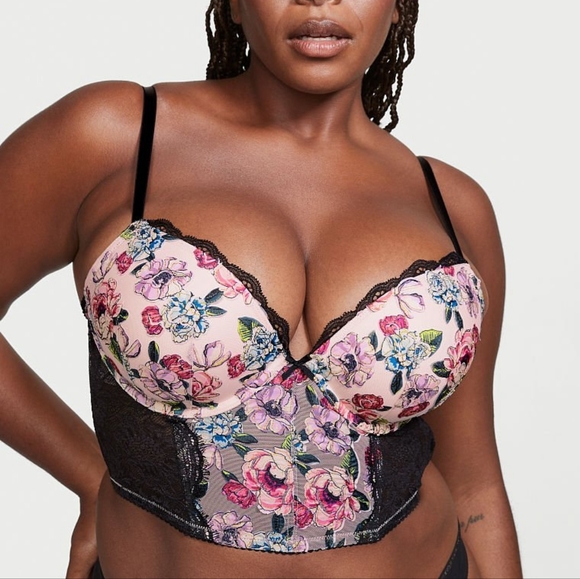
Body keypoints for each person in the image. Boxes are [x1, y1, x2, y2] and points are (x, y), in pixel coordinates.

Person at [0, 0, 522, 577]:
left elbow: (475, 485)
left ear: (399, 7)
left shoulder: (451, 206)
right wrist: (86, 471)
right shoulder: (118, 137)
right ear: (233, 4)